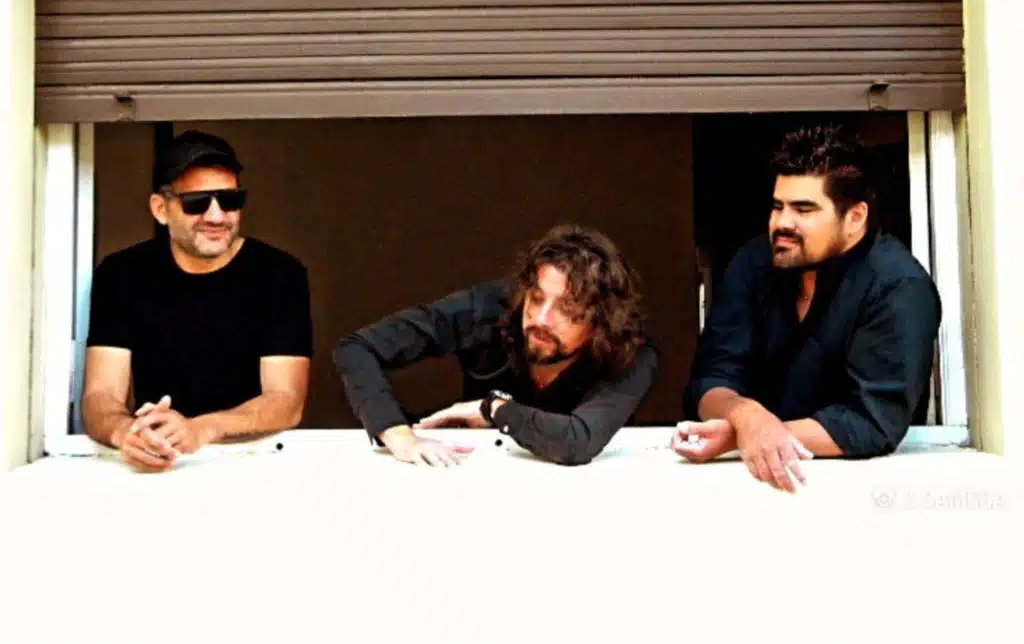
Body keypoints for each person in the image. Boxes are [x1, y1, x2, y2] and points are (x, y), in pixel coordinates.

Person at [674, 124, 941, 492]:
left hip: (856, 490)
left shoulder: (897, 287)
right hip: (737, 485)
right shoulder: (754, 262)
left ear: (855, 217)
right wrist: (744, 415)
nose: (782, 223)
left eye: (804, 209)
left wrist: (746, 434)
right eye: (777, 206)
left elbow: (870, 421)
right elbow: (710, 378)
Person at [82, 130, 313, 471]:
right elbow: (100, 395)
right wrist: (124, 433)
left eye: (230, 200)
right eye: (197, 202)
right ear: (161, 209)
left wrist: (199, 429)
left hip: (256, 462)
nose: (216, 216)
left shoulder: (279, 274)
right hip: (159, 465)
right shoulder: (122, 274)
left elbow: (286, 401)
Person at [335, 224, 659, 467]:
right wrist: (399, 436)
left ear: (603, 320)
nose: (541, 319)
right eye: (536, 298)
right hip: (478, 479)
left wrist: (491, 409)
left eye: (568, 308)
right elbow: (357, 348)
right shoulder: (487, 310)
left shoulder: (630, 353)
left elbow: (576, 442)